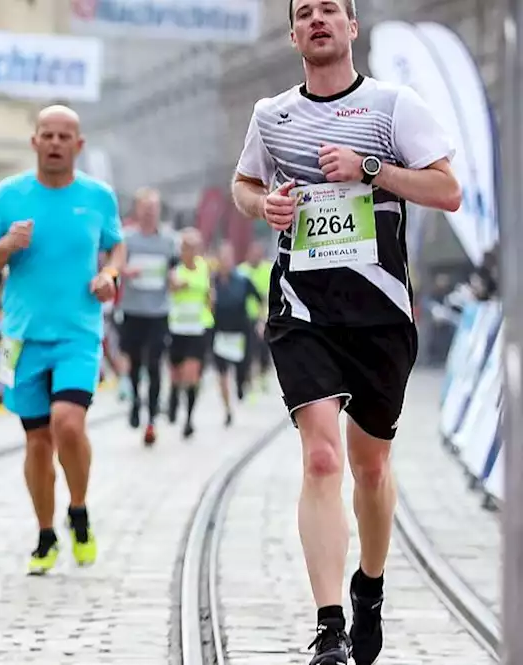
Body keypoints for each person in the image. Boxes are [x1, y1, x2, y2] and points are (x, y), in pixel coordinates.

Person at [231, 1, 461, 663]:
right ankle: (330, 626)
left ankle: (370, 586)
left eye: (331, 8)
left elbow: (447, 190)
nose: (318, 19)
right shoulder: (272, 115)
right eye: (305, 12)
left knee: (371, 466)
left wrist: (369, 169)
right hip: (303, 311)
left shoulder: (393, 106)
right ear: (294, 33)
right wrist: (263, 204)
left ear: (352, 27)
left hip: (382, 315)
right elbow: (246, 184)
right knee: (323, 457)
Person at [0, 106, 125, 575]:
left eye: (65, 136)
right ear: (35, 142)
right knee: (37, 441)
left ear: (78, 145)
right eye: (48, 135)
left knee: (69, 424)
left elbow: (115, 245)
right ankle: (45, 534)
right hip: (22, 337)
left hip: (79, 333)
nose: (56, 142)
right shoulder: (9, 194)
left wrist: (110, 273)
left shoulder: (98, 197)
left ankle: (77, 508)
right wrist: (6, 247)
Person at [117, 188, 179, 445]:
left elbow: (174, 270)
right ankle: (134, 401)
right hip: (132, 311)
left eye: (154, 207)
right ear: (137, 210)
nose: (150, 211)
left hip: (158, 312)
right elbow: (115, 264)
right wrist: (125, 271)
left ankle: (151, 417)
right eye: (145, 207)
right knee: (133, 364)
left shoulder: (168, 240)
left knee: (154, 364)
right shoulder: (127, 239)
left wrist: (174, 280)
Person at [165, 228, 211, 440]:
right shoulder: (175, 269)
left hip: (197, 328)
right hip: (177, 328)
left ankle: (189, 419)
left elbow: (209, 294)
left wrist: (211, 313)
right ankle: (173, 394)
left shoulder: (204, 267)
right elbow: (173, 286)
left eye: (193, 247)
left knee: (192, 374)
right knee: (176, 374)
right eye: (186, 247)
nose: (190, 251)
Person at [210, 243, 260, 426]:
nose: (225, 262)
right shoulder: (212, 281)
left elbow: (259, 298)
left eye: (228, 258)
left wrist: (261, 321)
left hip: (241, 332)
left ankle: (241, 384)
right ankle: (227, 409)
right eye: (222, 258)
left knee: (242, 368)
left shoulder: (243, 280)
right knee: (222, 373)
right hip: (220, 332)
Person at [236, 240, 273, 393]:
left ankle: (263, 375)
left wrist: (263, 318)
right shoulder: (241, 271)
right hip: (245, 317)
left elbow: (270, 295)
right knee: (246, 352)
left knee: (263, 350)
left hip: (264, 317)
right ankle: (246, 380)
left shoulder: (268, 270)